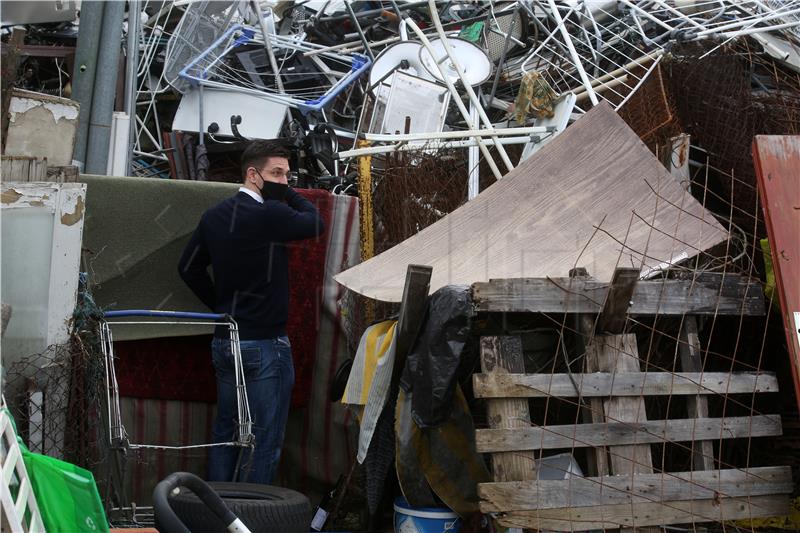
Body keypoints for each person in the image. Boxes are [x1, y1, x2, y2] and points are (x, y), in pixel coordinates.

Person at [178, 140, 325, 484]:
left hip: (226, 342)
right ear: (252, 174)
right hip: (264, 344)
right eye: (277, 173)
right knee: (265, 439)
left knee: (226, 431)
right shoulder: (270, 214)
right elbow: (315, 223)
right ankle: (252, 515)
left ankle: (216, 513)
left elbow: (188, 268)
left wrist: (221, 309)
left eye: (288, 175)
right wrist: (289, 195)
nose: (285, 181)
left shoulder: (214, 216)